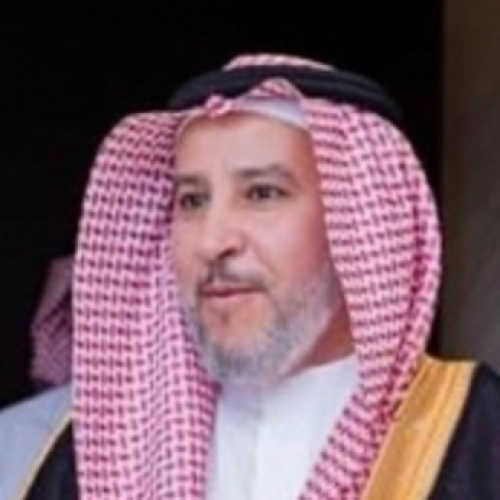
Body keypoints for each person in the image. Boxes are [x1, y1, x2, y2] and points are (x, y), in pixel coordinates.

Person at [1, 53, 499, 500]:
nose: (212, 241)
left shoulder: (478, 437)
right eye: (192, 201)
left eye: (262, 194)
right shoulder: (90, 458)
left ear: (363, 220)